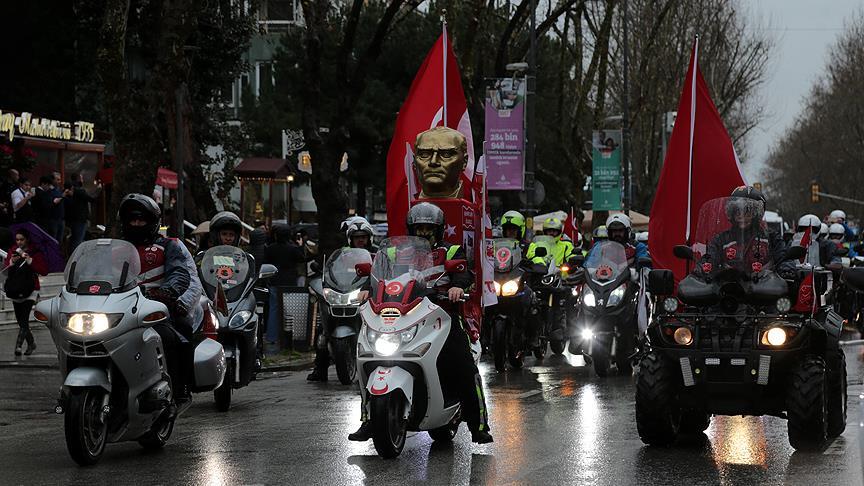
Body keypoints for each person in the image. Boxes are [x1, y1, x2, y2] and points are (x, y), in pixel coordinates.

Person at [349, 202, 493, 444]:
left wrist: (458, 286)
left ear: (438, 229)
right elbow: (377, 273)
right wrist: (366, 289)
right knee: (368, 357)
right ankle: (369, 419)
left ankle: (478, 424)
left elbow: (465, 274)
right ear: (411, 229)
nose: (424, 232)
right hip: (400, 314)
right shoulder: (394, 253)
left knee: (464, 365)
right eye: (420, 228)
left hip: (441, 315)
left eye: (429, 228)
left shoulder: (451, 251)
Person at [118, 194, 203, 404]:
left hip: (156, 308)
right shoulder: (115, 248)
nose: (136, 224)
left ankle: (180, 386)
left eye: (141, 220)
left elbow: (180, 273)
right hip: (119, 308)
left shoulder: (169, 246)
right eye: (132, 220)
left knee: (179, 334)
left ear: (152, 222)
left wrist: (168, 293)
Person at [307, 216, 376, 382]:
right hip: (344, 293)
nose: (360, 240)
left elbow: (385, 272)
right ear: (350, 238)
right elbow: (331, 271)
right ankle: (320, 368)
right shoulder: (342, 254)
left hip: (367, 294)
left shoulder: (377, 253)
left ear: (369, 238)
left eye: (363, 237)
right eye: (357, 237)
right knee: (322, 329)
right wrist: (323, 278)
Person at [700, 186, 787, 273]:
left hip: (764, 285)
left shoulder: (771, 238)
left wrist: (786, 270)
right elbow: (709, 259)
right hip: (729, 284)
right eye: (738, 212)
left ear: (757, 215)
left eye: (748, 213)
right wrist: (701, 270)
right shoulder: (721, 240)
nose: (742, 217)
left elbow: (784, 258)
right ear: (732, 213)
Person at [4, 228, 48, 355]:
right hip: (16, 288)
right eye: (17, 239)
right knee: (20, 321)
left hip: (31, 288)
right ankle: (31, 343)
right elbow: (6, 270)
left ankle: (18, 346)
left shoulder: (35, 252)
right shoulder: (12, 251)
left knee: (24, 319)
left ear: (27, 239)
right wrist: (12, 262)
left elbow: (44, 270)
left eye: (21, 239)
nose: (19, 242)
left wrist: (30, 261)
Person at [263, 223, 306, 345]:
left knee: (274, 309)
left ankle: (272, 337)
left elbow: (265, 262)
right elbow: (301, 259)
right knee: (290, 310)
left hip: (275, 280)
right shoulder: (292, 248)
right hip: (290, 282)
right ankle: (290, 338)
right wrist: (300, 246)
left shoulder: (270, 248)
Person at [66, 172, 102, 252]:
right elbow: (92, 198)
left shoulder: (70, 189)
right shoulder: (79, 191)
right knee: (78, 240)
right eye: (81, 178)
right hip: (80, 219)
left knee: (74, 239)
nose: (82, 180)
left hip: (72, 218)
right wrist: (99, 189)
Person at [34, 175, 65, 243]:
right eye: (48, 185)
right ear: (43, 184)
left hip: (47, 220)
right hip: (43, 221)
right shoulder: (39, 193)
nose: (49, 188)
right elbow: (44, 206)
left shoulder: (44, 192)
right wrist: (53, 202)